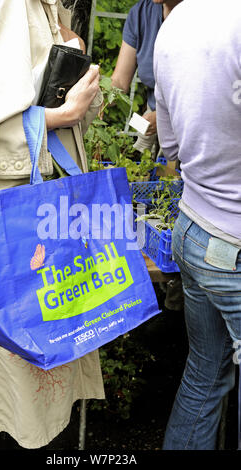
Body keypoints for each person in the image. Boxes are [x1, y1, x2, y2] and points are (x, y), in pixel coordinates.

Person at [0, 0, 105, 449]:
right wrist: (63, 114)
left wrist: (77, 76)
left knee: (34, 385)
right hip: (10, 228)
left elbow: (66, 117)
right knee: (20, 395)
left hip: (36, 220)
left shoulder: (46, 5)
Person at [154, 0, 241, 450]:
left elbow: (170, 147)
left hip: (193, 227)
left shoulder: (171, 27)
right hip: (232, 241)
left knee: (206, 371)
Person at [111, 0, 182, 158]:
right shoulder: (141, 13)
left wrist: (166, 117)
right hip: (155, 114)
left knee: (171, 174)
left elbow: (213, 91)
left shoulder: (205, 15)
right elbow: (120, 82)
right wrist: (99, 95)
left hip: (193, 122)